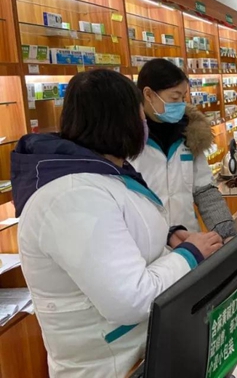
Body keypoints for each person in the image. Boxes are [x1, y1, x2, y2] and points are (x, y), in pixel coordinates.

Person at [12, 70, 223, 377]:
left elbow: (118, 234)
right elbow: (130, 299)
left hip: (142, 350)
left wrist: (168, 237)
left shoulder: (102, 172)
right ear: (121, 121)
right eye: (140, 115)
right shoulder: (71, 196)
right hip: (111, 365)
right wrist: (189, 255)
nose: (144, 124)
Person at [132, 59, 236, 240]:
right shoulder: (126, 141)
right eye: (174, 98)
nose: (180, 104)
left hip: (189, 240)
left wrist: (227, 234)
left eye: (183, 97)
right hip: (146, 245)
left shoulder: (190, 133)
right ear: (148, 94)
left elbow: (205, 191)